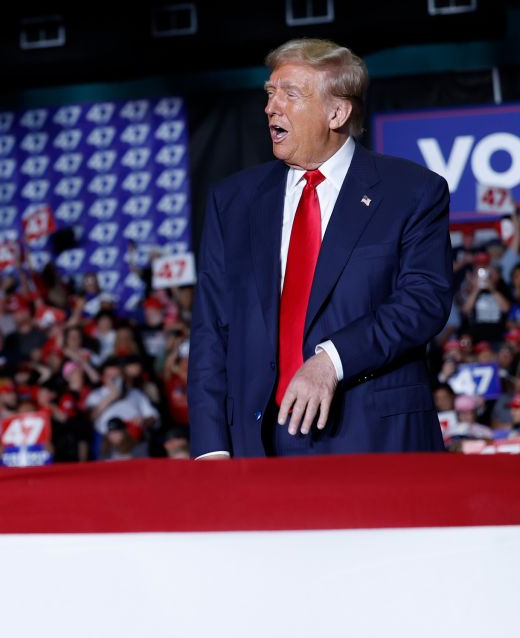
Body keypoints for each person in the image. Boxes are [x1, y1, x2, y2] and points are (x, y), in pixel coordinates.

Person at [190, 38, 451, 457]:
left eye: (290, 94)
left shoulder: (412, 192)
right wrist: (211, 448)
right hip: (259, 448)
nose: (271, 107)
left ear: (337, 112)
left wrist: (332, 359)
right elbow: (210, 330)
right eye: (270, 93)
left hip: (373, 441)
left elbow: (424, 302)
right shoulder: (232, 201)